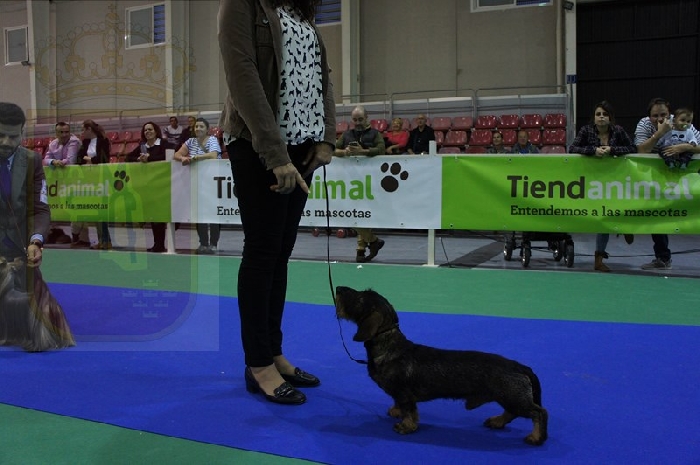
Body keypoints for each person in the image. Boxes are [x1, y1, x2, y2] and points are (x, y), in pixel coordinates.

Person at [219, 0, 335, 405]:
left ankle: (274, 352)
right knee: (262, 252)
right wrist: (275, 153)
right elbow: (242, 75)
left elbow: (322, 77)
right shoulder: (243, 4)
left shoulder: (300, 11)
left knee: (280, 254)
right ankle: (258, 364)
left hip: (304, 145)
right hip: (259, 146)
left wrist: (327, 137)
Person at [0, 101, 75, 351]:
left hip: (20, 246)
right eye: (0, 135)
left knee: (45, 323)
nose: (6, 142)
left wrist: (36, 241)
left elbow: (40, 208)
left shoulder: (32, 160)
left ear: (22, 133)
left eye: (13, 136)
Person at [568, 100, 637, 272]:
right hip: (594, 182)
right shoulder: (586, 130)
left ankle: (624, 226)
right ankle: (598, 260)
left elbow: (632, 148)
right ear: (594, 117)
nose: (601, 117)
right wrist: (593, 151)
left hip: (617, 180)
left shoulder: (618, 131)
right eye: (598, 114)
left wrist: (613, 150)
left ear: (610, 117)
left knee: (622, 209)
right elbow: (572, 148)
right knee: (603, 219)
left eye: (605, 114)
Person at [633, 98, 700, 270]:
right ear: (649, 116)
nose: (660, 118)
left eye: (663, 114)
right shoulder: (644, 124)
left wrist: (684, 147)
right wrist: (659, 133)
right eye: (655, 116)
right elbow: (641, 150)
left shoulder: (682, 121)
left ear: (670, 114)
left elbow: (698, 144)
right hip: (654, 177)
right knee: (656, 215)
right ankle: (663, 257)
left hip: (681, 177)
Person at [335, 105, 386, 263]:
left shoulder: (375, 134)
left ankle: (361, 249)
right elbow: (332, 150)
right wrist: (344, 152)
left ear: (367, 118)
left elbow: (381, 149)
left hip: (371, 180)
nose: (357, 122)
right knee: (351, 214)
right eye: (355, 119)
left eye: (360, 119)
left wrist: (363, 152)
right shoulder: (346, 135)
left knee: (363, 214)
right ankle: (373, 241)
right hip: (349, 181)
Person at [173, 117, 222, 254]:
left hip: (213, 183)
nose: (198, 129)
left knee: (213, 214)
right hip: (197, 184)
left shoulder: (212, 140)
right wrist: (183, 157)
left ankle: (213, 244)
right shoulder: (190, 141)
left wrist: (194, 158)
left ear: (207, 129)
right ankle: (203, 243)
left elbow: (213, 155)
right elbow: (177, 154)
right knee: (199, 214)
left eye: (201, 126)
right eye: (196, 127)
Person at [124, 121, 173, 253]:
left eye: (150, 129)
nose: (147, 132)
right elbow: (128, 157)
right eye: (145, 130)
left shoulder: (164, 144)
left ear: (156, 131)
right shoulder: (142, 146)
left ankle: (161, 244)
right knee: (153, 216)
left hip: (163, 185)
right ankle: (158, 244)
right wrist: (139, 159)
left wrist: (149, 159)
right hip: (148, 186)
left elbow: (168, 155)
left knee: (161, 217)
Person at [77, 119, 113, 250]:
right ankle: (101, 240)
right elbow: (79, 159)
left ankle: (106, 240)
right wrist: (90, 160)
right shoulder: (85, 143)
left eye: (83, 129)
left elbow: (103, 159)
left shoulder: (103, 141)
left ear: (89, 129)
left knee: (101, 210)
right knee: (95, 211)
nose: (82, 132)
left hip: (101, 179)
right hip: (89, 180)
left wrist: (89, 159)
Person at [43, 122, 80, 245]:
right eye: (61, 132)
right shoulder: (52, 144)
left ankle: (77, 237)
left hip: (77, 181)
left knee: (77, 210)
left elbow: (71, 161)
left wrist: (59, 162)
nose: (64, 135)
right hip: (60, 183)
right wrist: (53, 162)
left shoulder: (74, 141)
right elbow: (45, 160)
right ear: (56, 133)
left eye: (66, 132)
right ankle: (53, 232)